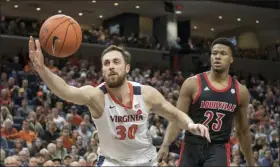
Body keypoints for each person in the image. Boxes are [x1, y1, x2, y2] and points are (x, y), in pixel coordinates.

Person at [28, 36, 210, 166]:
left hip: (146, 160)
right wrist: (42, 69)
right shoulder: (96, 96)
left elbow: (176, 114)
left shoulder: (146, 94)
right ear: (102, 70)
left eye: (116, 62)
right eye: (106, 64)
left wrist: (191, 125)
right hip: (112, 162)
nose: (111, 67)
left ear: (127, 67)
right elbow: (66, 91)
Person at [157, 38, 254, 166]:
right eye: (214, 53)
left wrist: (251, 162)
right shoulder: (192, 83)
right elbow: (177, 118)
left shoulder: (240, 91)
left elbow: (243, 130)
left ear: (231, 59)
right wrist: (165, 144)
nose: (217, 57)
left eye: (223, 53)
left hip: (218, 148)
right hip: (191, 145)